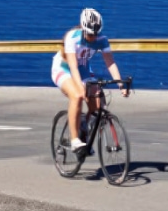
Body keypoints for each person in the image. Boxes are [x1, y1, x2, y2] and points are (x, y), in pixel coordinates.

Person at [51, 8, 129, 152]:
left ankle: (84, 130)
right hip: (63, 69)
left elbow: (110, 63)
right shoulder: (72, 37)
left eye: (96, 34)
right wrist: (80, 87)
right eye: (90, 34)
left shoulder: (102, 40)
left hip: (84, 69)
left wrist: (120, 84)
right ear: (83, 29)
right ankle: (74, 140)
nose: (93, 37)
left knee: (98, 102)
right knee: (77, 95)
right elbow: (73, 66)